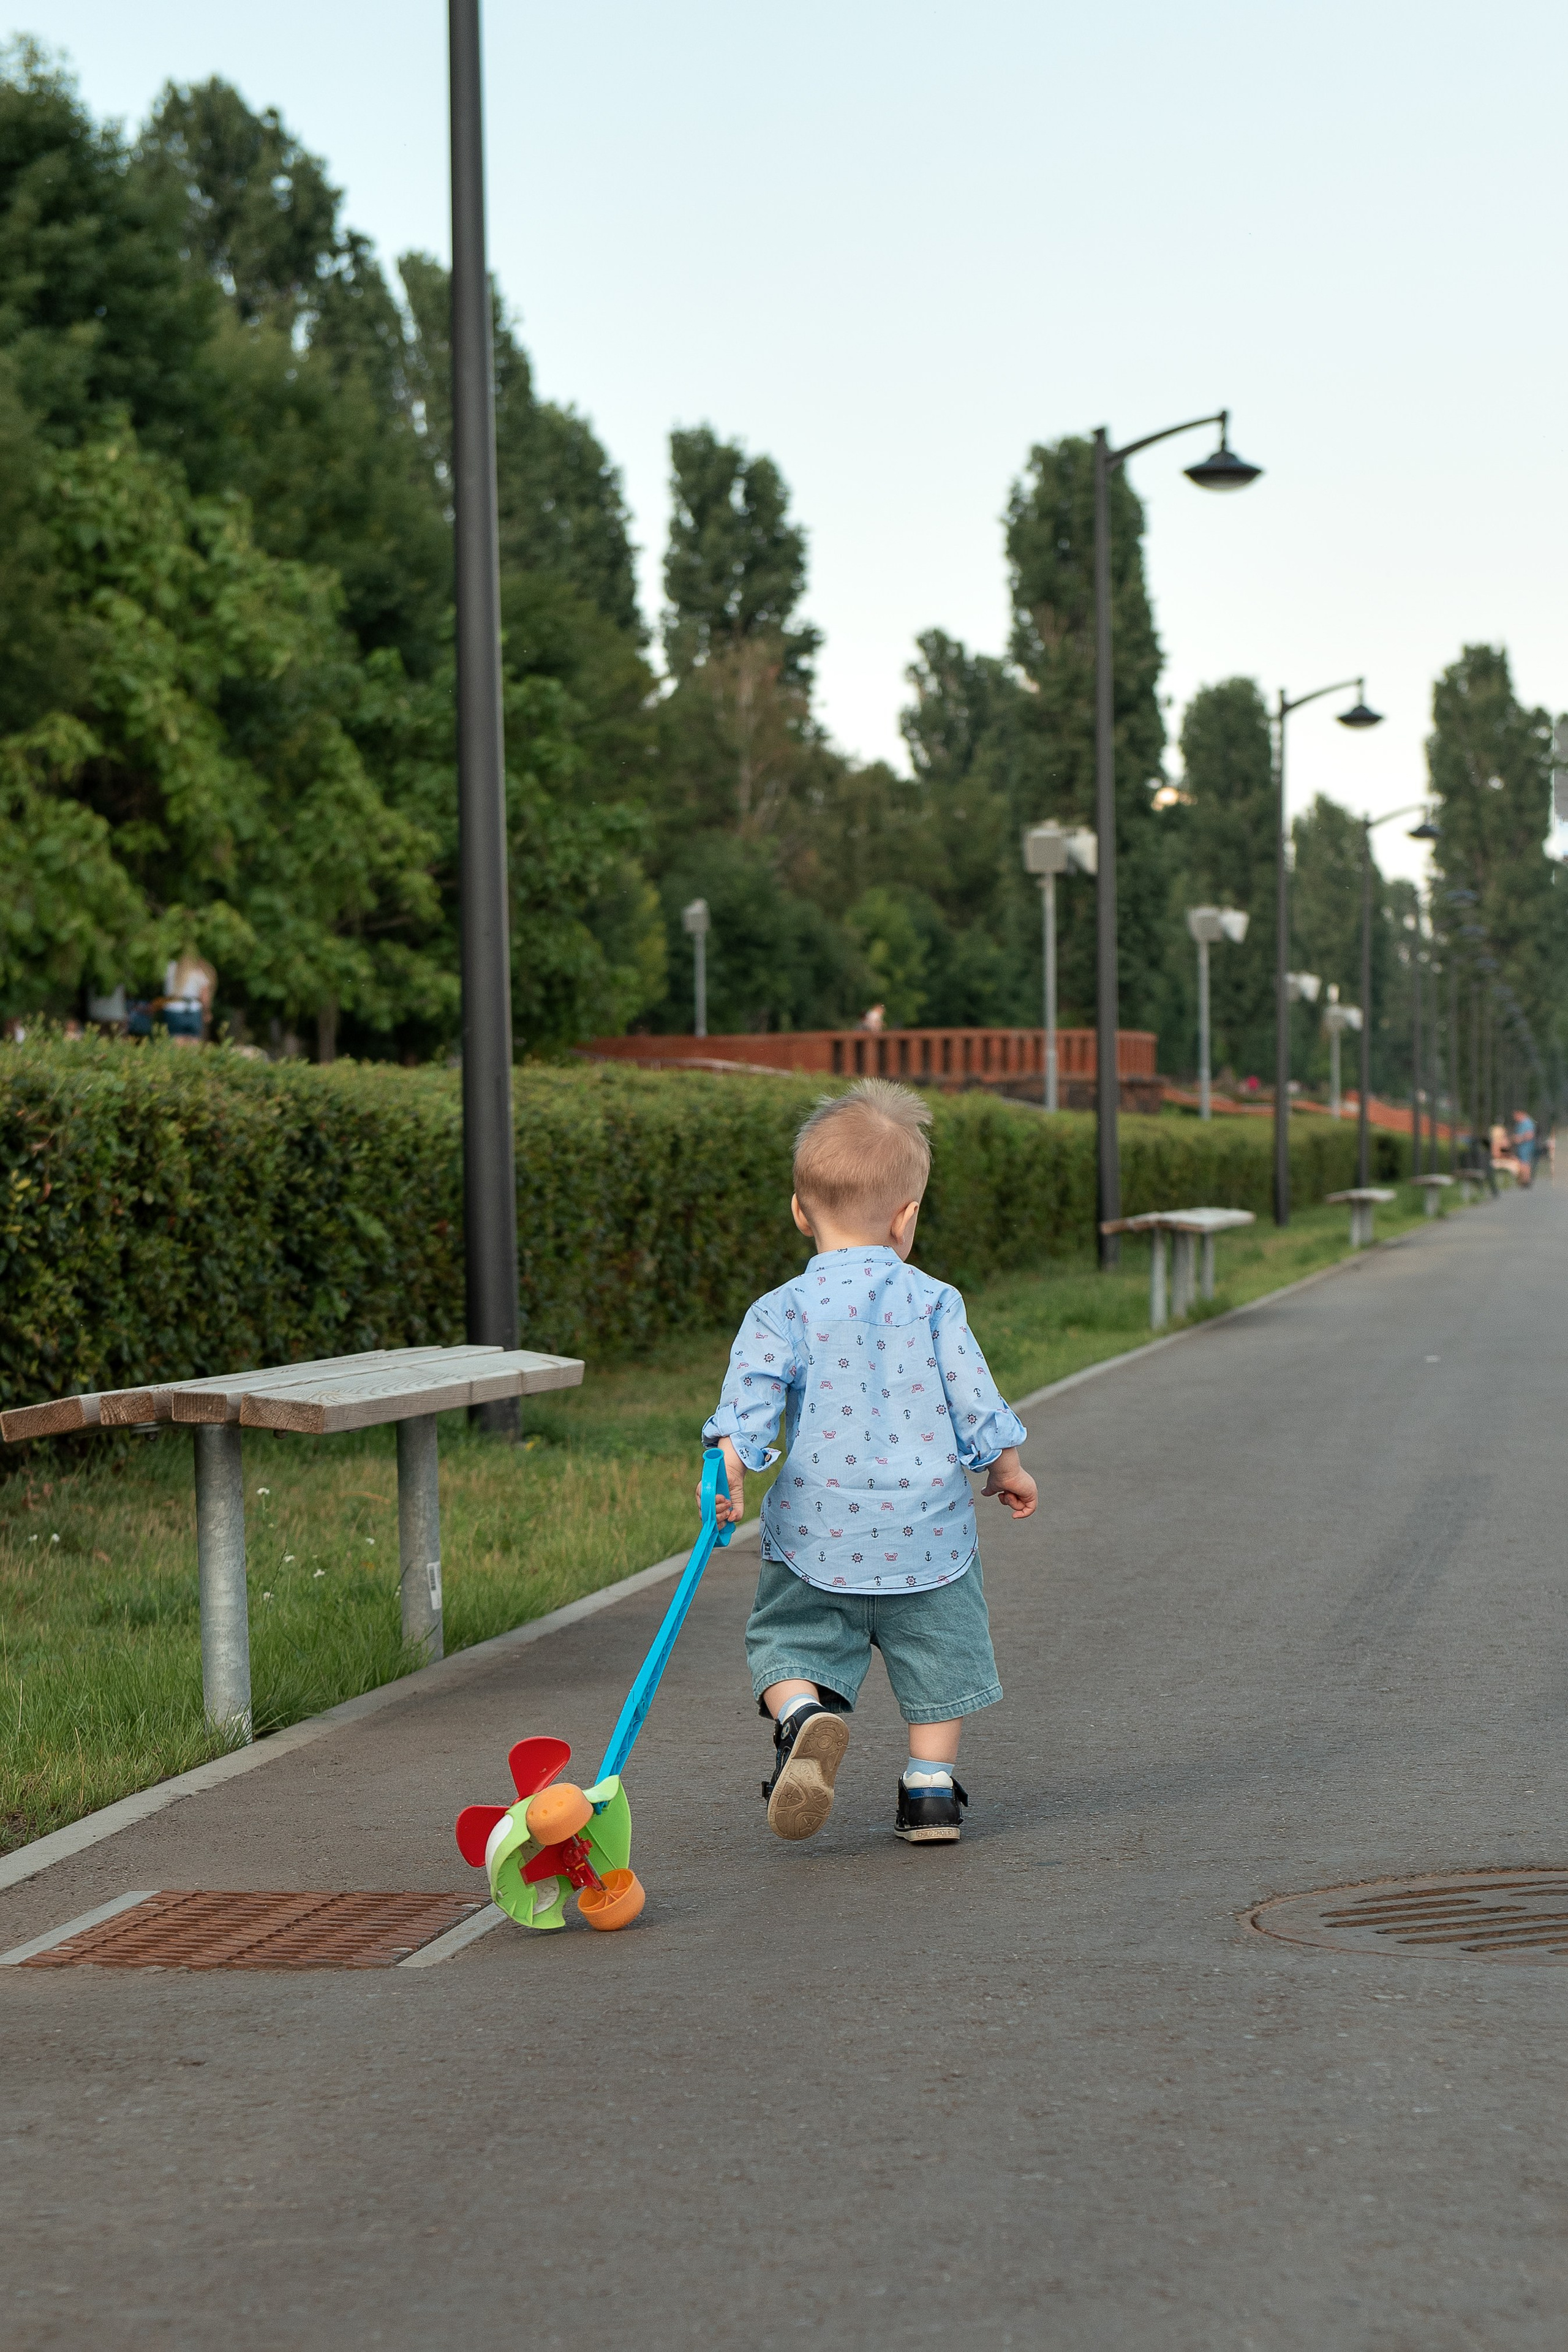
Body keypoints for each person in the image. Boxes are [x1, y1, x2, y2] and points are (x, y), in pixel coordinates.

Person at [700, 1078, 1038, 1849]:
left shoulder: (780, 1309)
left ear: (797, 1210)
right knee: (938, 1652)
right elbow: (974, 1397)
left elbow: (746, 1414)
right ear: (906, 1217)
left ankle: (802, 1714)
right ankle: (929, 1794)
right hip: (928, 1531)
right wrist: (1005, 1467)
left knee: (785, 1640)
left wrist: (728, 1473)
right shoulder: (935, 1301)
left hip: (818, 1530)